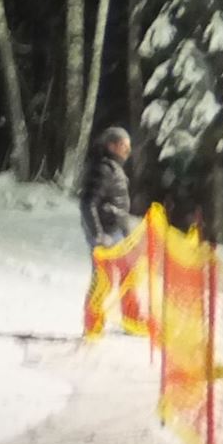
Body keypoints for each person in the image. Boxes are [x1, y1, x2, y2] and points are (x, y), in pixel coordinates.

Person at [78, 126, 147, 339]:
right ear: (111, 145)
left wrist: (126, 232)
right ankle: (93, 323)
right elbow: (88, 202)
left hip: (118, 232)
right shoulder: (102, 169)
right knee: (103, 279)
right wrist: (98, 234)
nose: (127, 150)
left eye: (128, 146)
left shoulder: (114, 168)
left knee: (130, 274)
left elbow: (118, 206)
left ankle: (132, 320)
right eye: (123, 145)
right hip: (106, 234)